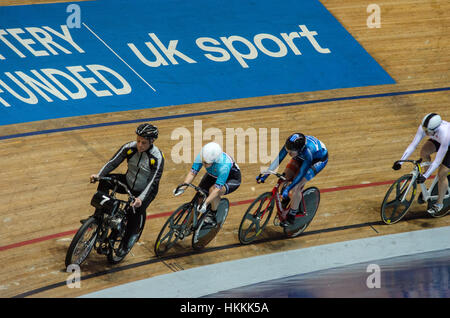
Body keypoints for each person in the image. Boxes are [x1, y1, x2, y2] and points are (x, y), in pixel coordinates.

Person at [90, 123, 164, 256]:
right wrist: (99, 175)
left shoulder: (157, 157)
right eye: (138, 141)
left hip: (145, 190)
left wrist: (140, 199)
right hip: (128, 181)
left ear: (152, 142)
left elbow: (153, 182)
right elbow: (113, 162)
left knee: (133, 211)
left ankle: (127, 241)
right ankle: (99, 215)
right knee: (105, 181)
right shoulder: (129, 147)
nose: (140, 145)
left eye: (144, 142)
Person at [257, 133, 328, 226]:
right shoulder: (291, 144)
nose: (289, 153)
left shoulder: (308, 152)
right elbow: (279, 159)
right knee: (284, 178)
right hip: (300, 156)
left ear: (299, 149)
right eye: (288, 150)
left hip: (317, 160)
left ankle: (292, 215)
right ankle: (287, 200)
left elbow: (301, 173)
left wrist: (288, 188)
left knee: (296, 187)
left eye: (291, 152)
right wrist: (265, 175)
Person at [393, 113, 450, 214]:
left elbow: (437, 161)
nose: (426, 133)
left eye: (428, 132)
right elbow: (413, 145)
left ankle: (439, 203)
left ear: (435, 129)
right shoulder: (425, 127)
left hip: (447, 143)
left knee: (442, 173)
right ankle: (430, 185)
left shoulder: (445, 134)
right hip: (438, 139)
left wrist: (425, 175)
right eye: (425, 130)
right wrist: (400, 162)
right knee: (424, 152)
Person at [174, 142, 241, 226]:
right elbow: (192, 173)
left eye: (206, 163)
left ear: (215, 162)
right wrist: (182, 188)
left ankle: (212, 214)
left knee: (212, 190)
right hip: (213, 175)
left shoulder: (223, 166)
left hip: (231, 179)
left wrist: (205, 203)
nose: (203, 164)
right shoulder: (203, 156)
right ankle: (186, 226)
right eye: (203, 162)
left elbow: (217, 189)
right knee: (199, 197)